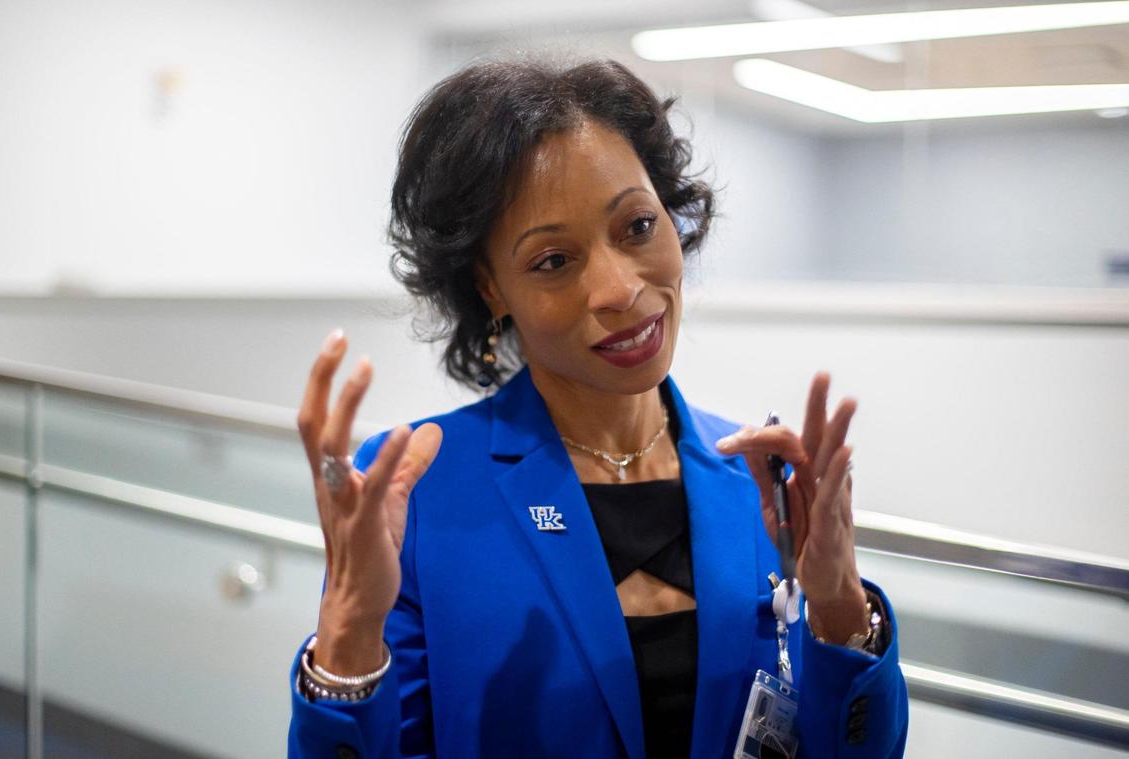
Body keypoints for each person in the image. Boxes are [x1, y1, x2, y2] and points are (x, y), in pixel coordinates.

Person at [288, 54, 908, 759]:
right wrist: (347, 627)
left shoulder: (760, 481)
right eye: (553, 261)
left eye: (637, 226)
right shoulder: (418, 490)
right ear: (491, 288)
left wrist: (838, 606)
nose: (618, 287)